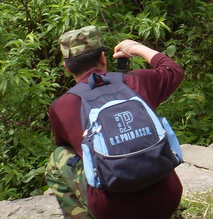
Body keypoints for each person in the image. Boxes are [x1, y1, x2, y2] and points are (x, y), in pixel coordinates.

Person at [46, 26, 185, 219]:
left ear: (67, 67)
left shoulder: (61, 106)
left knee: (58, 157)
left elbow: (70, 147)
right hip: (167, 199)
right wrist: (135, 47)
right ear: (103, 58)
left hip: (112, 211)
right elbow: (173, 70)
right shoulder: (137, 81)